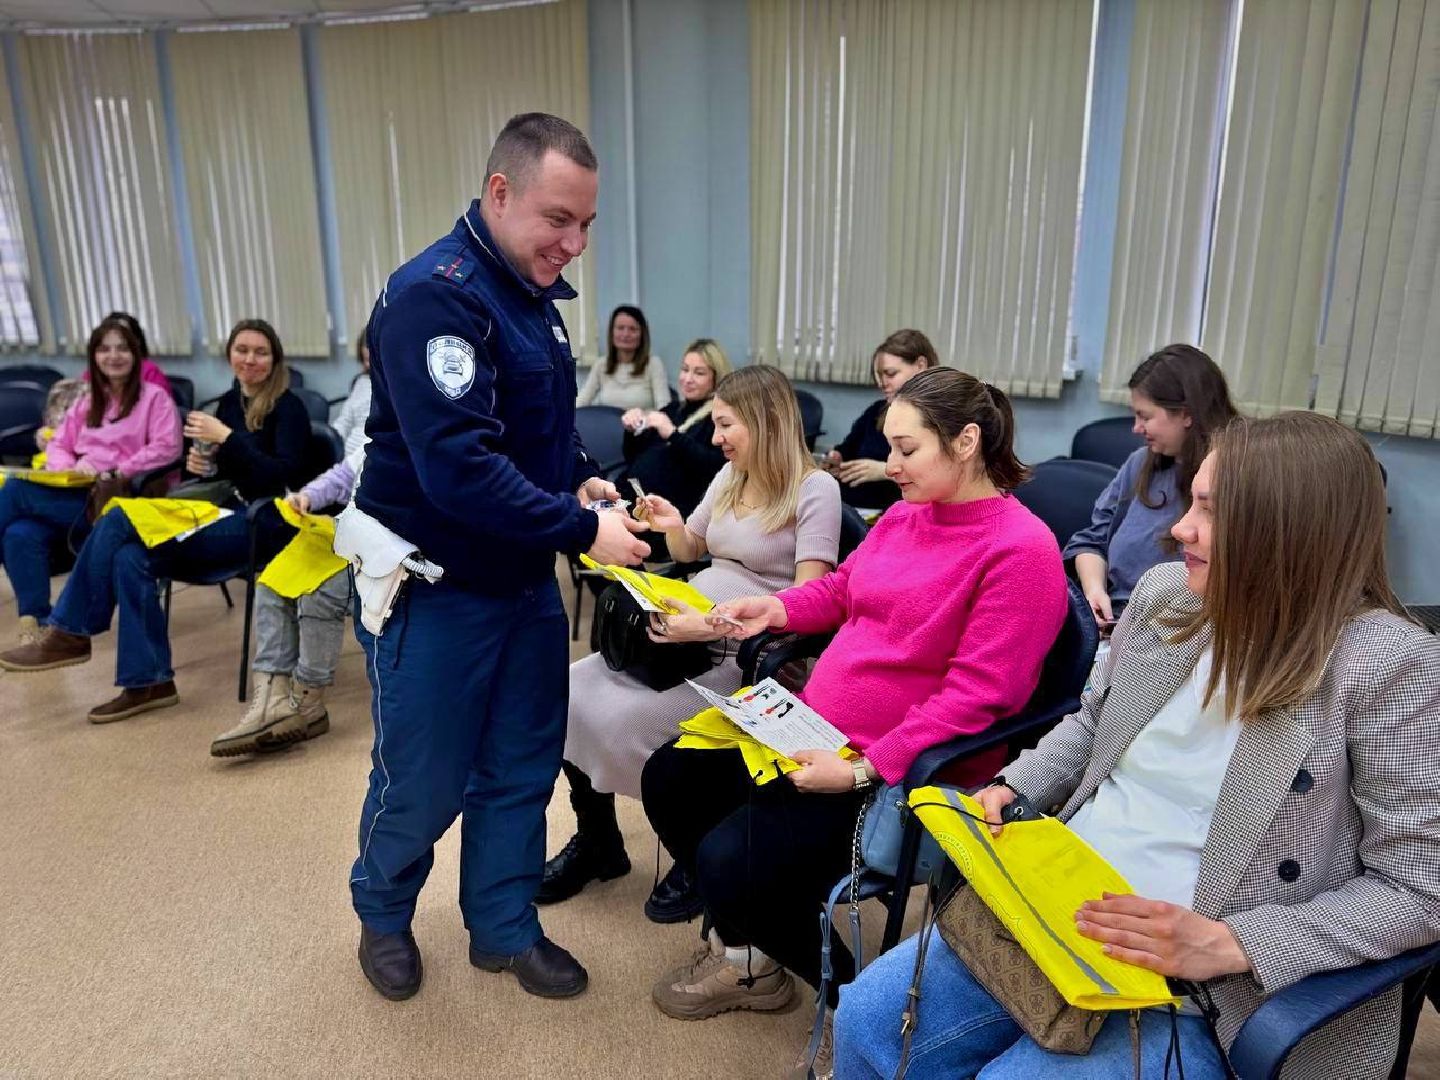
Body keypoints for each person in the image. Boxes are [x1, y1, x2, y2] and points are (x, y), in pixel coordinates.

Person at [833, 412, 1440, 1080]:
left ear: (1284, 534)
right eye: (1191, 504)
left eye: (1208, 512)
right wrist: (1017, 784)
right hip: (1058, 912)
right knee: (865, 1020)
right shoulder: (1166, 597)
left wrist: (1233, 942)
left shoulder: (1387, 667)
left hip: (1203, 988)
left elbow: (1420, 888)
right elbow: (1095, 722)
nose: (1180, 530)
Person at [640, 368, 1068, 1075]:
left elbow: (979, 697)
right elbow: (841, 589)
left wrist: (865, 768)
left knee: (730, 864)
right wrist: (774, 609)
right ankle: (754, 961)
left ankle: (852, 1000)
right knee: (671, 779)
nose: (888, 464)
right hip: (814, 729)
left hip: (896, 768)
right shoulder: (907, 513)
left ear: (966, 442)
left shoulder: (1021, 552)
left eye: (906, 449)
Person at [341, 112, 649, 1005]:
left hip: (521, 582)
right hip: (438, 588)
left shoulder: (528, 292)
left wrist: (586, 484)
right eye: (560, 218)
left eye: (587, 224)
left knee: (520, 764)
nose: (575, 244)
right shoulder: (437, 295)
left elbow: (537, 436)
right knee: (424, 780)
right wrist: (583, 531)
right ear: (501, 192)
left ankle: (504, 929)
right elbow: (459, 470)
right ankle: (384, 914)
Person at [541, 365, 841, 917]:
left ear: (764, 421)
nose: (716, 436)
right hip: (684, 638)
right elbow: (688, 552)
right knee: (570, 688)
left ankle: (693, 849)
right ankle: (598, 841)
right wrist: (675, 524)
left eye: (726, 424)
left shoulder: (815, 488)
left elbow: (808, 606)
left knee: (626, 722)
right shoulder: (732, 475)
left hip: (753, 659)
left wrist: (707, 625)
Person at [0, 319, 308, 722]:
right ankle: (149, 681)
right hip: (214, 511)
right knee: (130, 555)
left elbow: (283, 478)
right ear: (230, 355)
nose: (249, 359)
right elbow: (221, 475)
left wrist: (227, 439)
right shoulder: (231, 403)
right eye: (242, 350)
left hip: (263, 522)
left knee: (117, 518)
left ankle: (72, 630)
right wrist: (203, 464)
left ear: (275, 359)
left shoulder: (290, 407)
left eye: (260, 352)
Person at [0, 316, 181, 643]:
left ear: (136, 353)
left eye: (122, 348)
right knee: (18, 532)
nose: (114, 356)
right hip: (75, 494)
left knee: (14, 492)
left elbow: (168, 448)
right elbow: (58, 443)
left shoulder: (155, 398)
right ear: (94, 356)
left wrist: (119, 469)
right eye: (105, 349)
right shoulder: (88, 400)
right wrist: (68, 466)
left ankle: (50, 627)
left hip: (120, 499)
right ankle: (39, 622)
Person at [208, 436, 368, 757]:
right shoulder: (375, 438)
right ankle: (271, 701)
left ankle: (307, 704)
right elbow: (340, 478)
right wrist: (306, 497)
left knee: (319, 590)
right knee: (273, 581)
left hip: (385, 550)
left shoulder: (422, 439)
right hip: (344, 537)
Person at [1065, 343, 1237, 628]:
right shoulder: (1142, 462)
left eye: (1145, 416)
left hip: (1176, 633)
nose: (1135, 428)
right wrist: (1095, 590)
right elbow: (1091, 541)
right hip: (1114, 625)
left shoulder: (1232, 479)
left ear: (1186, 414)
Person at [618, 336, 730, 522]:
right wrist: (631, 431)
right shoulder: (672, 409)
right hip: (631, 499)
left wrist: (672, 434)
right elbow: (632, 457)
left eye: (699, 373)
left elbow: (713, 468)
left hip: (668, 514)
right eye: (685, 370)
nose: (687, 379)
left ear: (716, 379)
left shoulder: (718, 420)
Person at [824, 329, 938, 511]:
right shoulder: (876, 411)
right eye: (879, 376)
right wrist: (836, 457)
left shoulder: (939, 419)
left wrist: (883, 471)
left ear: (921, 365)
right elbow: (847, 448)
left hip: (892, 511)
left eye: (891, 374)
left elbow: (936, 479)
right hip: (849, 506)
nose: (882, 383)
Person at [576, 304, 669, 409]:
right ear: (612, 332)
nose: (625, 334)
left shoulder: (653, 364)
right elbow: (581, 401)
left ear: (642, 334)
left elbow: (664, 408)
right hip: (607, 425)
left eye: (632, 329)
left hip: (642, 425)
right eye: (620, 328)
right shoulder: (601, 365)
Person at [330, 326, 373, 460]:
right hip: (347, 460)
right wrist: (329, 440)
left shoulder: (396, 387)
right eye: (365, 360)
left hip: (370, 460)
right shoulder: (361, 381)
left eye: (371, 360)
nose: (367, 366)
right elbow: (344, 421)